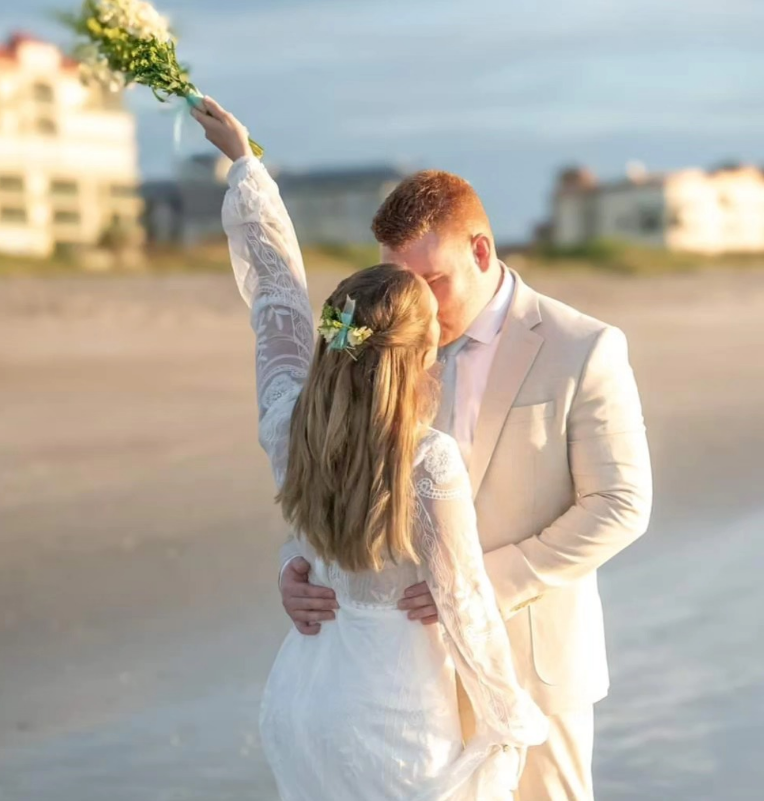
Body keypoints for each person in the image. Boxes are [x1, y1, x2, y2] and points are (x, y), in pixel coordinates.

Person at [191, 97, 548, 801]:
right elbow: (466, 602)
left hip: (307, 699)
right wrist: (513, 719)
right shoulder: (427, 460)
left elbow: (276, 301)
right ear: (419, 358)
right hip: (394, 714)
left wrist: (246, 169)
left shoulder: (290, 419)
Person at [279, 167, 654, 797]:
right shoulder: (389, 347)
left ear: (481, 250)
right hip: (405, 678)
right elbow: (339, 474)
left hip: (532, 667)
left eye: (431, 282)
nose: (418, 306)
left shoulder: (583, 346)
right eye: (404, 284)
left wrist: (480, 586)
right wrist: (298, 562)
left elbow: (619, 506)